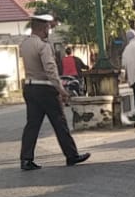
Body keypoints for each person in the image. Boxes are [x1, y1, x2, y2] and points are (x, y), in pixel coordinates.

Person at [19, 12, 89, 171]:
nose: (49, 31)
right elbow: (50, 70)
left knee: (32, 125)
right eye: (48, 28)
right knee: (59, 122)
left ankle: (26, 159)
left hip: (29, 87)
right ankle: (71, 155)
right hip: (45, 88)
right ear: (44, 28)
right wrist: (61, 90)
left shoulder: (25, 44)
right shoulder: (43, 46)